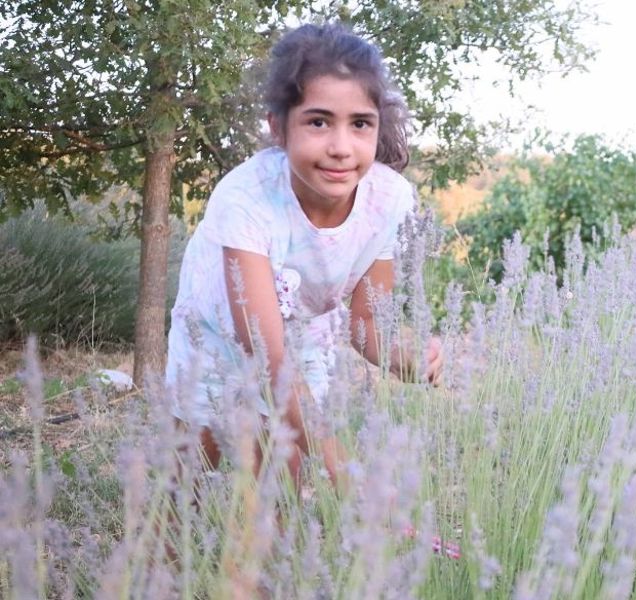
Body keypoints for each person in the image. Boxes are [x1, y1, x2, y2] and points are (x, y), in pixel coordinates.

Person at [165, 23, 443, 484]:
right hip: (214, 330)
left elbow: (365, 321)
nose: (340, 148)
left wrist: (402, 357)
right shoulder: (246, 198)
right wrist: (344, 469)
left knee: (291, 471)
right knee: (190, 469)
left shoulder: (388, 200)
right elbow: (267, 355)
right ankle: (165, 550)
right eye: (318, 122)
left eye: (360, 124)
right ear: (279, 127)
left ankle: (267, 548)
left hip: (305, 328)